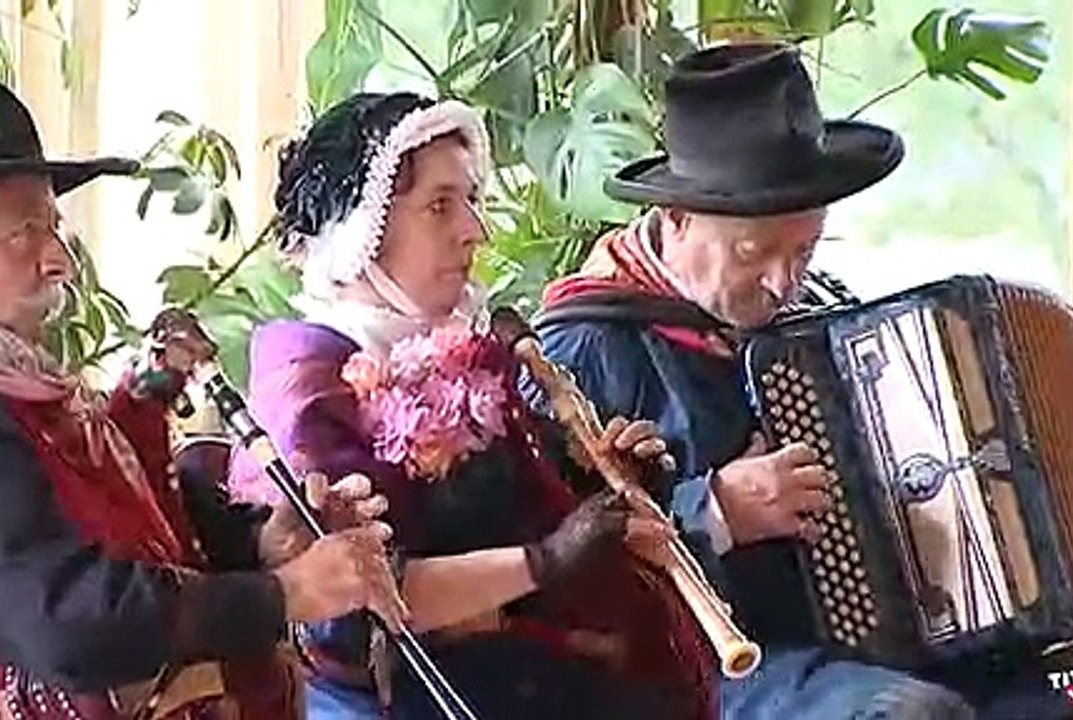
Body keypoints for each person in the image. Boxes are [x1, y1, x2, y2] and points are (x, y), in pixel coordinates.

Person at [532, 42, 1073, 719]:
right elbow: (553, 568)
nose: (781, 280)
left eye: (803, 249)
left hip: (890, 648)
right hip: (717, 667)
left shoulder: (827, 316)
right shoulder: (580, 349)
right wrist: (716, 512)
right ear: (676, 220)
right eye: (753, 252)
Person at [0, 44, 407, 719]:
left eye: (55, 229)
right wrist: (286, 593)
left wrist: (260, 544)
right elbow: (63, 616)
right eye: (25, 233)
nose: (60, 260)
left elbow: (125, 540)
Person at [227, 91, 721, 719]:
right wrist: (549, 560)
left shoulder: (465, 349)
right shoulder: (305, 381)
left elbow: (509, 513)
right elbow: (353, 609)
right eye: (440, 206)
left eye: (473, 201)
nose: (474, 232)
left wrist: (594, 486)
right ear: (363, 231)